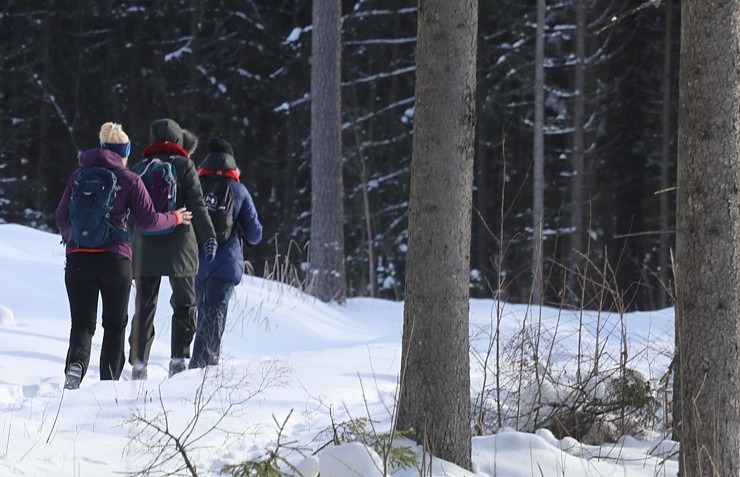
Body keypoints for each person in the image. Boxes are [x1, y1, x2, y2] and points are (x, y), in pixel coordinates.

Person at [55, 122, 193, 389]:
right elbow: (150, 221)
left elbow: (60, 217)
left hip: (78, 260)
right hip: (115, 262)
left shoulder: (78, 176)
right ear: (124, 151)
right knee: (115, 325)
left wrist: (77, 236)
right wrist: (174, 217)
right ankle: (109, 384)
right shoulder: (129, 179)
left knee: (82, 324)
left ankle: (76, 365)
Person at [128, 118, 218, 379]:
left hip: (146, 247)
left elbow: (133, 215)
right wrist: (208, 236)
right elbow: (197, 204)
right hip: (181, 246)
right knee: (185, 303)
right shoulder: (184, 166)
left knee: (144, 306)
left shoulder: (139, 167)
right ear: (179, 140)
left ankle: (139, 363)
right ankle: (179, 358)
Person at [190, 137, 262, 369]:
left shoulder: (194, 187)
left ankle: (200, 366)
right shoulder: (238, 190)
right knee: (214, 316)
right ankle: (202, 370)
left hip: (197, 261)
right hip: (225, 264)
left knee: (203, 314)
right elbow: (255, 234)